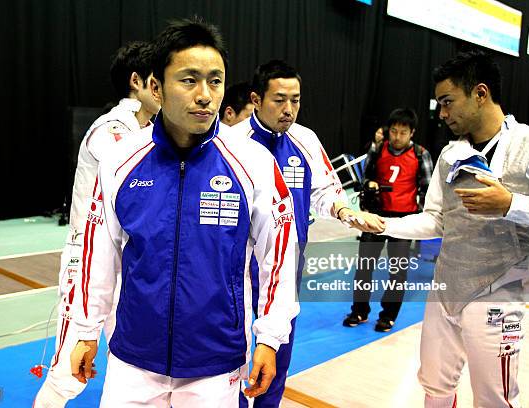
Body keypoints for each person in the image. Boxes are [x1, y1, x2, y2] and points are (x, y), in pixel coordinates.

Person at [68, 18, 301, 407]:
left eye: (215, 81)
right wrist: (86, 328)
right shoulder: (120, 161)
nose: (205, 95)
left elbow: (278, 254)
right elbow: (99, 253)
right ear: (156, 88)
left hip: (214, 362)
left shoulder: (253, 163)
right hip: (133, 360)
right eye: (189, 80)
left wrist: (271, 337)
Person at [372, 51, 529, 407]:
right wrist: (384, 223)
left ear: (480, 93)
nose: (443, 114)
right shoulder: (452, 153)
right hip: (446, 285)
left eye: (448, 102)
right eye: (440, 105)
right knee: (434, 385)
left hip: (499, 290)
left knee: (493, 398)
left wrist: (512, 204)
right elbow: (436, 219)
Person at [232, 59, 384, 408]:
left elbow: (326, 191)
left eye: (296, 100)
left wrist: (346, 211)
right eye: (279, 100)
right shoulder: (231, 142)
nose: (289, 110)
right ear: (256, 99)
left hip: (286, 265)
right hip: (235, 267)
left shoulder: (306, 141)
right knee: (236, 353)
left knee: (278, 349)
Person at [33, 40, 160, 408]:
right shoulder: (111, 129)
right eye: (158, 79)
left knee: (137, 367)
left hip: (130, 264)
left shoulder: (149, 130)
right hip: (89, 262)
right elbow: (138, 189)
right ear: (138, 82)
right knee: (69, 371)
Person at [343, 108, 433, 332]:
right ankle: (359, 310)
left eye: (403, 132)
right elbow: (366, 177)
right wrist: (370, 185)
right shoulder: (378, 148)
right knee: (364, 267)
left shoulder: (421, 154)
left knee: (398, 270)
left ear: (412, 132)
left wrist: (418, 221)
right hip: (375, 216)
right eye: (393, 131)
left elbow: (427, 190)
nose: (397, 137)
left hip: (404, 220)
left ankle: (388, 315)